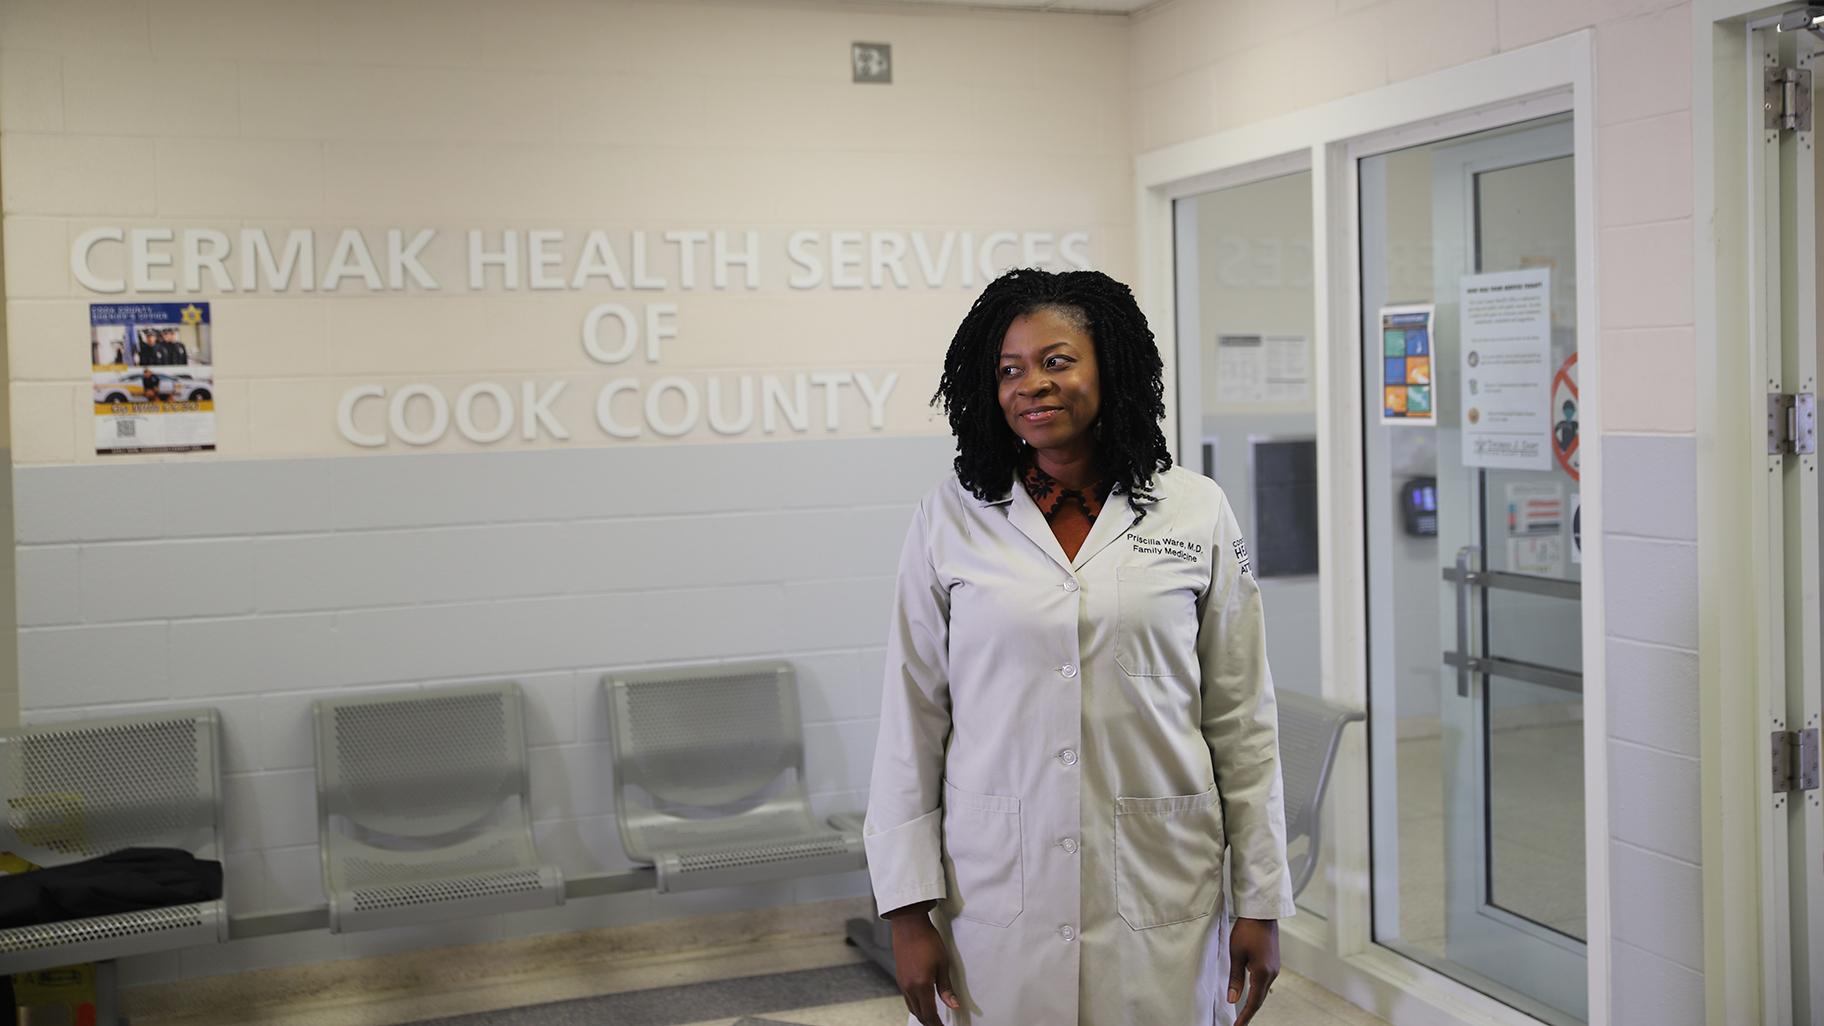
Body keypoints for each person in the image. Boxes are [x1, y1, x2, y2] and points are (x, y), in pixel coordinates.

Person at [865, 268, 1293, 1026]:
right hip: (995, 891)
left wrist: (1260, 899)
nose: (1033, 384)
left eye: (1057, 361)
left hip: (1163, 884)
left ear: (1111, 367)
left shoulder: (1196, 509)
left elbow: (1241, 717)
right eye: (1010, 370)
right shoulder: (951, 517)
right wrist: (905, 910)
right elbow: (912, 715)